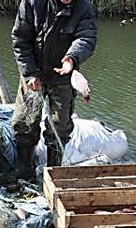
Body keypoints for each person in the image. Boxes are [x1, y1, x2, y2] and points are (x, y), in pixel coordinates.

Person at [11, 0, 97, 182]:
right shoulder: (32, 3)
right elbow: (20, 40)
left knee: (60, 127)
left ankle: (53, 173)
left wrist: (71, 58)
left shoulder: (83, 7)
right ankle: (24, 171)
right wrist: (30, 74)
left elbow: (86, 38)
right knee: (25, 123)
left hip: (64, 76)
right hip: (34, 73)